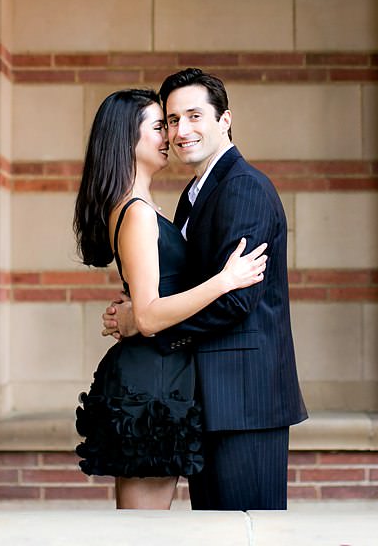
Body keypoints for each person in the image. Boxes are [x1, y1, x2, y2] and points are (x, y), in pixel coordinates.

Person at [103, 68, 307, 511]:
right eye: (172, 120)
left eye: (194, 116)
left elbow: (236, 299)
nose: (181, 130)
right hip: (208, 398)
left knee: (246, 533)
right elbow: (193, 286)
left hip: (244, 401)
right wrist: (143, 308)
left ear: (225, 120)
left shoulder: (244, 188)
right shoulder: (195, 194)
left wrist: (145, 322)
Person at [73, 88, 269, 510]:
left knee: (148, 527)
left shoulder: (145, 207)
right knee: (143, 532)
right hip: (151, 381)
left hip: (164, 373)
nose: (171, 135)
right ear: (128, 138)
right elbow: (147, 315)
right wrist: (224, 280)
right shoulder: (138, 212)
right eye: (160, 126)